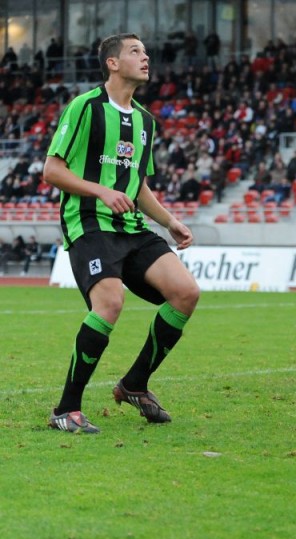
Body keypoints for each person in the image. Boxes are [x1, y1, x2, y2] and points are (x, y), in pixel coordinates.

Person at [43, 33, 200, 434]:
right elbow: (53, 171)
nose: (146, 57)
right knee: (110, 303)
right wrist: (101, 191)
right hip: (89, 222)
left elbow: (137, 187)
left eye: (146, 52)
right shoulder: (85, 107)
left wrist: (169, 221)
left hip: (131, 227)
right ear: (112, 63)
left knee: (186, 293)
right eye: (135, 52)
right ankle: (66, 408)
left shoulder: (146, 122)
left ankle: (134, 385)